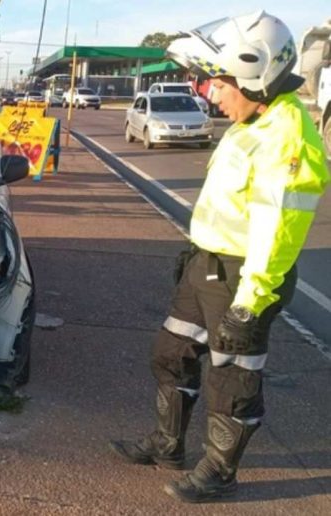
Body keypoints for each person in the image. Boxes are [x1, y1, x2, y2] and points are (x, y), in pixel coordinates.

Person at [108, 11, 329, 504]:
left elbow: (277, 233)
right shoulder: (253, 120)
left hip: (243, 278)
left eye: (217, 83)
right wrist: (196, 251)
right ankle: (168, 445)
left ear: (254, 75)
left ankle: (219, 471)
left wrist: (250, 301)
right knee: (172, 353)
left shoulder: (286, 136)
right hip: (207, 264)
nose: (210, 94)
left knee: (233, 378)